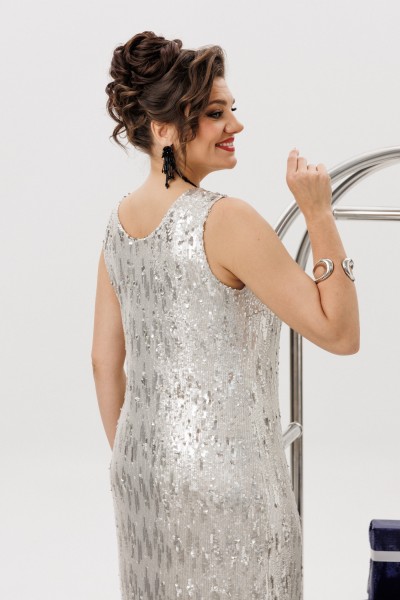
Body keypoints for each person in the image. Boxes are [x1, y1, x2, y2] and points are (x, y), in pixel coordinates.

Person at [91, 31, 360, 600]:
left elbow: (103, 362)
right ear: (164, 128)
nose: (235, 125)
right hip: (231, 485)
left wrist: (145, 461)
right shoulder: (226, 219)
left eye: (232, 109)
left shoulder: (118, 223)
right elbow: (339, 334)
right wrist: (319, 214)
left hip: (139, 475)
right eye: (215, 114)